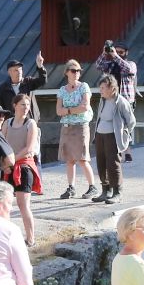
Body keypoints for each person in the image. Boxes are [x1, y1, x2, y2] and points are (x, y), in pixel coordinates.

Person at [3, 92, 41, 245]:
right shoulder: (7, 123)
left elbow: (29, 147)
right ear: (15, 106)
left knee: (23, 205)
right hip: (8, 167)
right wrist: (4, 164)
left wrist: (11, 162)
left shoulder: (30, 123)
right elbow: (2, 144)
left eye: (27, 105)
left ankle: (30, 239)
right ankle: (6, 237)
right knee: (4, 204)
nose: (26, 108)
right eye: (22, 105)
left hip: (24, 166)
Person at [53, 60, 95, 200]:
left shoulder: (84, 87)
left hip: (81, 126)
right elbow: (58, 111)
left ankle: (92, 187)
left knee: (82, 158)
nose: (76, 73)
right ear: (66, 72)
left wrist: (68, 110)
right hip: (66, 127)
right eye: (73, 70)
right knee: (69, 159)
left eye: (78, 70)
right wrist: (73, 110)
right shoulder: (62, 90)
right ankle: (71, 188)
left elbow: (85, 107)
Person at [91, 76, 134, 205]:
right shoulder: (102, 100)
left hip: (113, 137)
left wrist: (123, 133)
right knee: (101, 163)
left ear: (112, 88)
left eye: (103, 88)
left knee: (113, 164)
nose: (101, 90)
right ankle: (106, 191)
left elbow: (131, 121)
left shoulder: (121, 101)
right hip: (100, 135)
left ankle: (117, 193)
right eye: (100, 88)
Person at [0, 53, 47, 121]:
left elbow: (42, 81)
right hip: (11, 122)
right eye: (16, 70)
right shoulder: (3, 88)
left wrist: (40, 67)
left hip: (29, 119)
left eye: (20, 70)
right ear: (9, 72)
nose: (19, 72)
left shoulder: (28, 82)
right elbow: (0, 107)